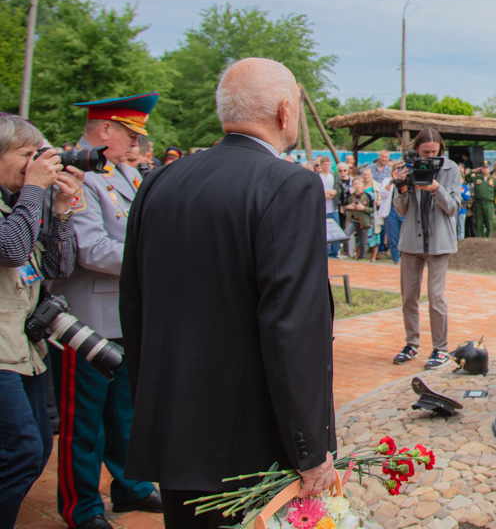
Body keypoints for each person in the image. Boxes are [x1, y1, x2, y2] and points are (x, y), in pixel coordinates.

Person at [120, 58, 336, 529]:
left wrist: (154, 406)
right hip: (252, 442)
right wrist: (309, 447)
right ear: (285, 111)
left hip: (176, 430)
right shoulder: (289, 184)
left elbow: (134, 306)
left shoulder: (159, 181)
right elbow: (292, 327)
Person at [49, 94, 163, 529]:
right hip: (87, 318)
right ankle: (81, 506)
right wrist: (154, 258)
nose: (135, 144)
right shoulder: (74, 175)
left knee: (125, 412)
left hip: (123, 313)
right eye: (130, 134)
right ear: (104, 131)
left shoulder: (123, 173)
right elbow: (89, 249)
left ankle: (130, 486)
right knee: (85, 421)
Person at [1, 116, 83, 529]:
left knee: (36, 449)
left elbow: (57, 266)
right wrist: (34, 188)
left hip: (25, 349)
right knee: (21, 452)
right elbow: (12, 249)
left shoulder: (18, 202)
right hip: (2, 355)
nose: (36, 163)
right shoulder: (20, 201)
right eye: (25, 155)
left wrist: (63, 213)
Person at [391, 129, 461, 370]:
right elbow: (400, 210)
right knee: (409, 297)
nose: (430, 156)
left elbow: (453, 208)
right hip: (411, 241)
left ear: (441, 149)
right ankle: (411, 343)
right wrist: (401, 187)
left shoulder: (451, 169)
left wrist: (435, 188)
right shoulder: (407, 166)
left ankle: (440, 348)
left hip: (440, 242)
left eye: (434, 152)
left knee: (436, 297)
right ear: (416, 150)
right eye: (425, 152)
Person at [466, 163, 496, 238]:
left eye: (487, 168)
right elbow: (467, 178)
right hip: (479, 203)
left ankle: (489, 238)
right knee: (479, 223)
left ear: (489, 168)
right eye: (483, 168)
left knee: (489, 223)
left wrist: (495, 204)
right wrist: (473, 171)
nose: (485, 169)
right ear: (481, 168)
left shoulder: (493, 179)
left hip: (489, 203)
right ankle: (480, 238)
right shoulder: (477, 178)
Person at [316, 156, 339, 258]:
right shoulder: (317, 176)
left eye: (328, 165)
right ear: (321, 165)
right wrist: (325, 193)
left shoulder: (334, 176)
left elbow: (336, 191)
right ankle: (324, 252)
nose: (326, 167)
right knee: (322, 232)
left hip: (333, 208)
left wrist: (328, 193)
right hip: (321, 209)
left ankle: (334, 252)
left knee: (336, 232)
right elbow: (317, 191)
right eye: (324, 165)